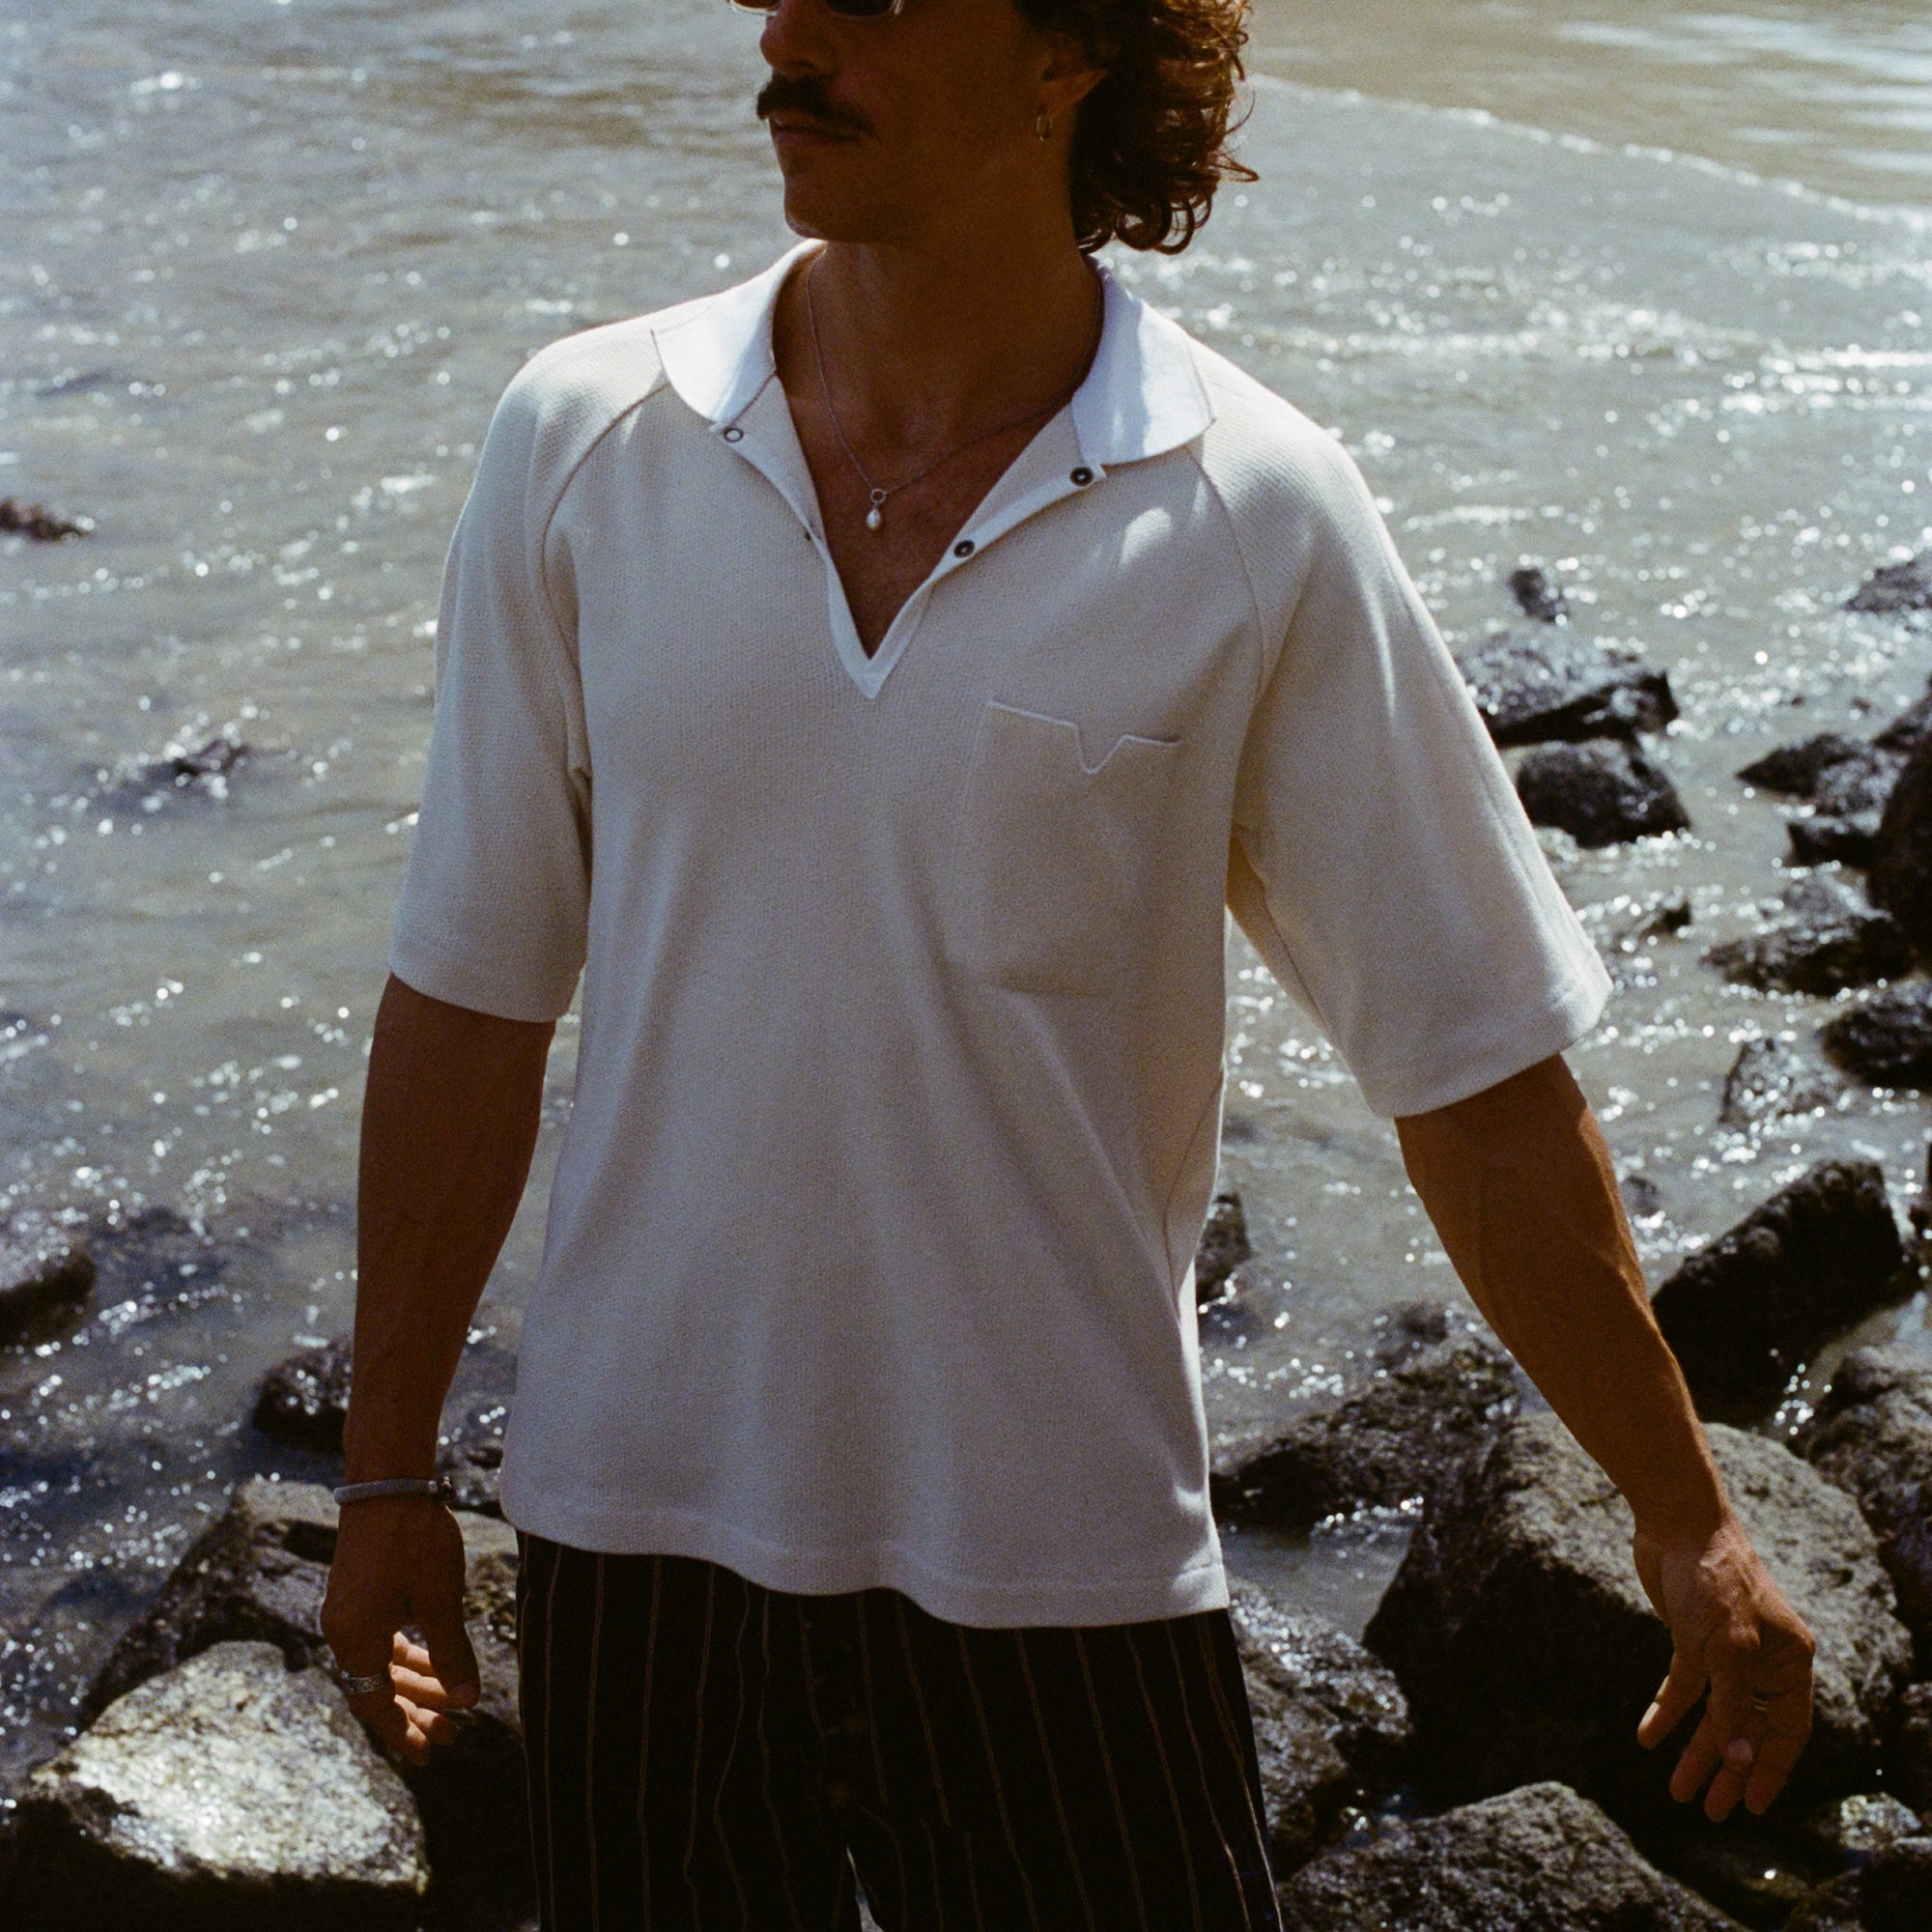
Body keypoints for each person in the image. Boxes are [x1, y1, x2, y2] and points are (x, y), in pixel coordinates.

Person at [321, 1, 1817, 1925]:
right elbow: (467, 994)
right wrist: (381, 1483)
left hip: (1064, 1562)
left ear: (1066, 56)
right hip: (638, 1538)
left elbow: (1469, 1064)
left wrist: (1683, 1510)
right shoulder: (585, 439)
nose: (787, 30)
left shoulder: (1252, 508)